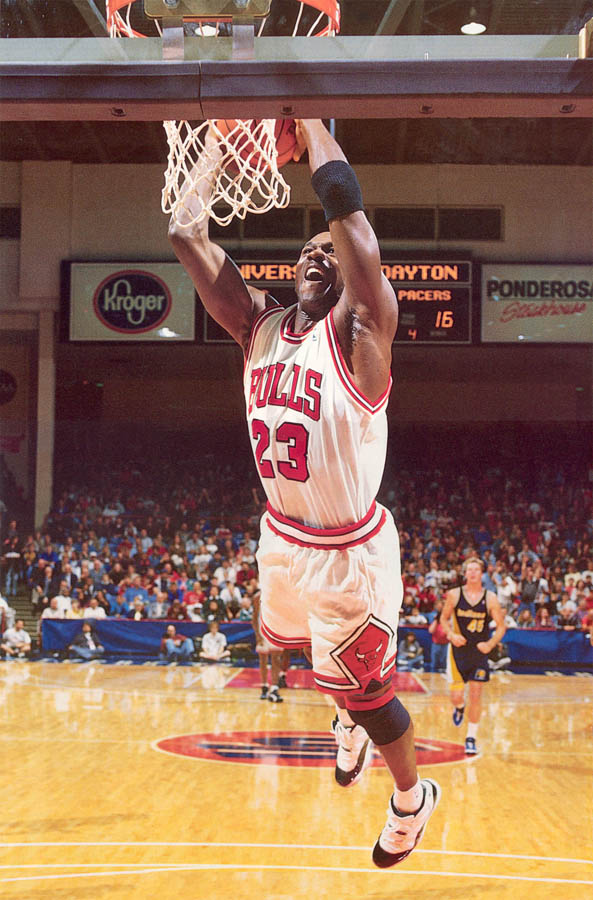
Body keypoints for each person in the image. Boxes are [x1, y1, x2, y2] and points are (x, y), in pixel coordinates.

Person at [169, 118, 440, 867]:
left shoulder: (363, 329)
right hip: (281, 537)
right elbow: (187, 237)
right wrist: (221, 145)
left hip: (348, 549)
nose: (318, 254)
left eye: (331, 253)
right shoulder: (257, 325)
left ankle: (412, 802)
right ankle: (343, 721)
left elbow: (347, 212)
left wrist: (311, 117)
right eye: (307, 251)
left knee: (368, 695)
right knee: (289, 649)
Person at [440, 557, 506, 755]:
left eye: (476, 569)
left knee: (476, 695)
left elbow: (502, 626)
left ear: (482, 573)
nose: (473, 573)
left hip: (478, 653)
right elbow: (443, 619)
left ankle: (471, 737)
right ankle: (459, 707)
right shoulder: (454, 595)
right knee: (456, 696)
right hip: (457, 652)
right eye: (470, 569)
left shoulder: (490, 598)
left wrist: (491, 644)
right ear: (465, 573)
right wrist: (451, 634)